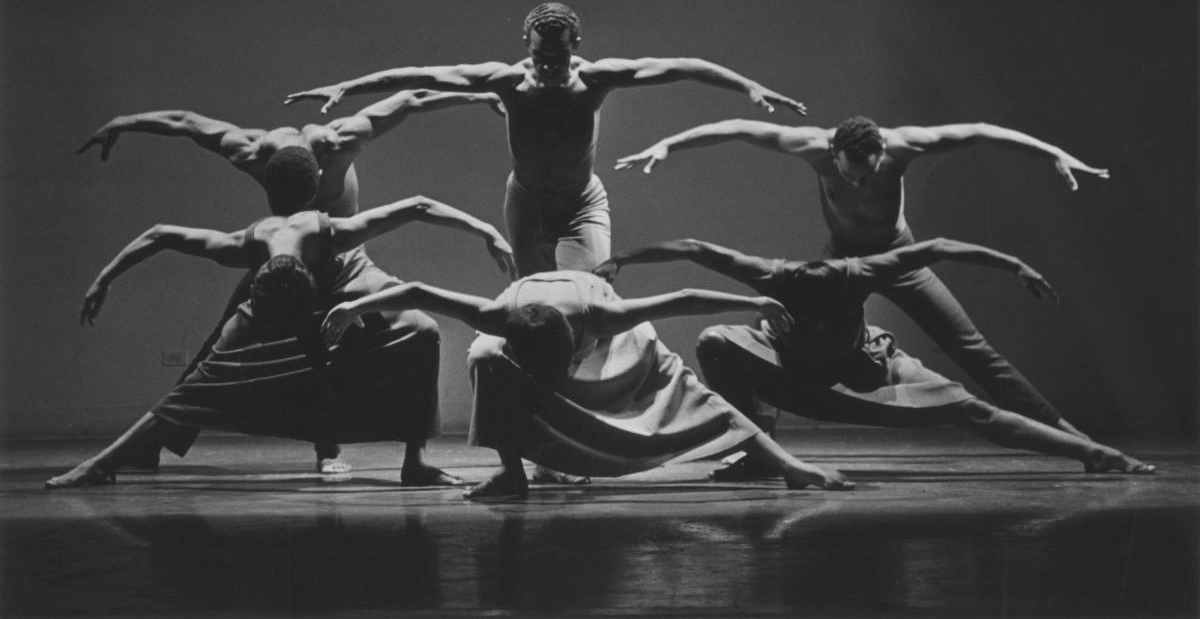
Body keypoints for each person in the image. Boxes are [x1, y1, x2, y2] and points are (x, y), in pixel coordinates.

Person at [76, 88, 502, 473]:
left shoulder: (340, 143)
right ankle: (153, 441)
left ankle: (388, 457)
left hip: (344, 262)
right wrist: (123, 123)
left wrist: (479, 95)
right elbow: (185, 123)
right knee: (218, 352)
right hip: (284, 263)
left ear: (319, 176)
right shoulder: (253, 151)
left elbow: (412, 99)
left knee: (418, 331)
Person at [615, 115, 1110, 439]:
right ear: (833, 153)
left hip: (898, 258)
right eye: (849, 174)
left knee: (971, 348)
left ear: (882, 155)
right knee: (794, 342)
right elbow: (740, 127)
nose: (858, 182)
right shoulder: (811, 148)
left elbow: (981, 131)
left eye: (868, 175)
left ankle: (1064, 432)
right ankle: (757, 430)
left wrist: (1052, 152)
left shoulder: (903, 146)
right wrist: (667, 144)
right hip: (842, 266)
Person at [284, 2, 807, 277]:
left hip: (581, 200)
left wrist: (748, 86)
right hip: (527, 200)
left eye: (558, 55)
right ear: (528, 46)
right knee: (531, 300)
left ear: (575, 45)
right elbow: (424, 75)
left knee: (588, 287)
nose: (549, 65)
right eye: (540, 55)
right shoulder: (509, 81)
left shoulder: (597, 79)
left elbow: (680, 66)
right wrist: (349, 85)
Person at [45, 194, 516, 489]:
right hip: (278, 298)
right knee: (209, 374)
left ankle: (416, 463)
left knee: (424, 332)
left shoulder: (337, 240)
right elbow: (160, 234)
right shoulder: (245, 251)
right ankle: (104, 463)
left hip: (346, 291)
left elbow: (417, 206)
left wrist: (487, 230)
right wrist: (104, 279)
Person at [594, 237, 1155, 478]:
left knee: (972, 411)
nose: (812, 318)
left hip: (867, 374)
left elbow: (938, 248)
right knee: (716, 340)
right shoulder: (771, 276)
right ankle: (758, 448)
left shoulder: (861, 273)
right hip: (795, 373)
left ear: (848, 298)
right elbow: (695, 249)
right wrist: (623, 259)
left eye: (824, 315)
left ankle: (1094, 453)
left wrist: (1014, 264)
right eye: (799, 314)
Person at [320, 269, 854, 500]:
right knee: (481, 356)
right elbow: (416, 290)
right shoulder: (497, 319)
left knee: (684, 388)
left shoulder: (604, 315)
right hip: (533, 328)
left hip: (614, 346)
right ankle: (513, 476)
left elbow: (686, 298)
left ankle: (789, 467)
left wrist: (753, 302)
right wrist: (354, 306)